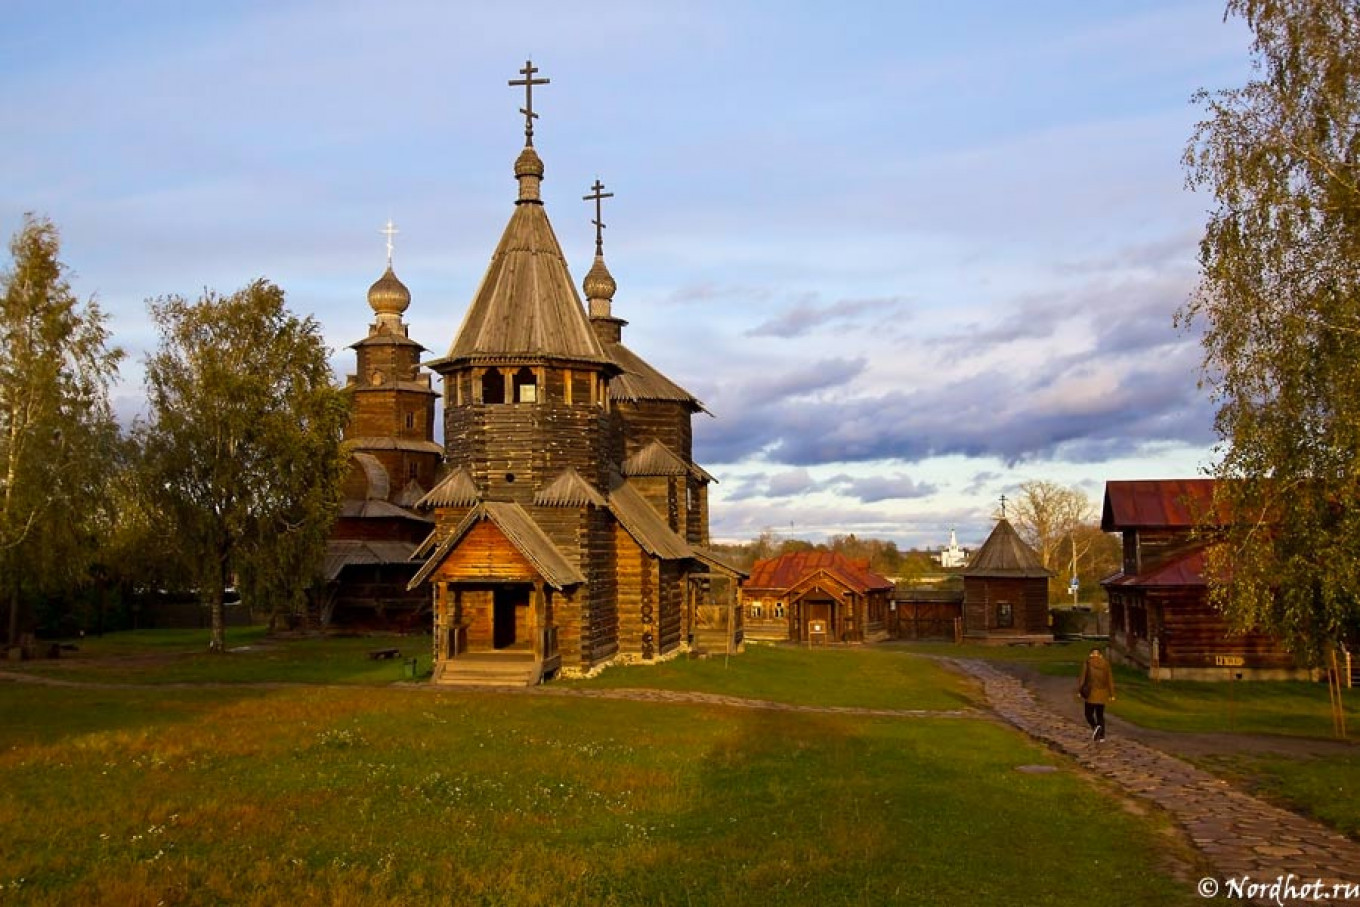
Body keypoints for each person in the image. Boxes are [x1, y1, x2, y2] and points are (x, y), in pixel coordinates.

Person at [1077, 647, 1116, 742]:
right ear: (1100, 655)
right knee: (1100, 715)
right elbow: (1109, 679)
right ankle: (1102, 737)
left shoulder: (1088, 663)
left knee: (1088, 714)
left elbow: (1083, 677)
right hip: (1102, 694)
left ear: (1091, 654)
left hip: (1091, 693)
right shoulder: (1106, 664)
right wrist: (1112, 694)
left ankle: (1095, 728)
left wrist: (1079, 690)